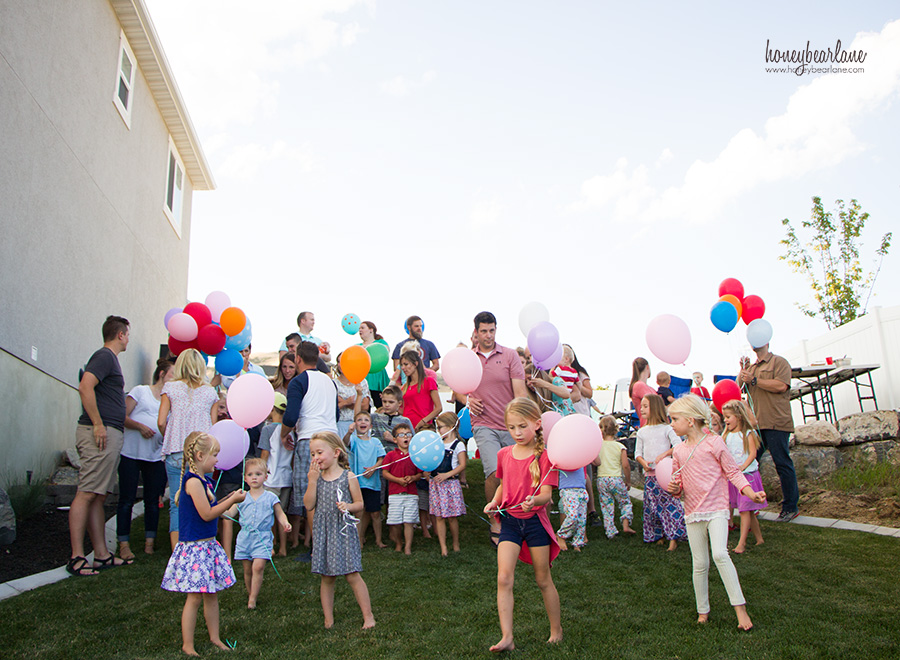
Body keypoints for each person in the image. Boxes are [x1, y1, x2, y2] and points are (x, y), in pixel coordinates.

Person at [666, 395, 765, 631]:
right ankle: (703, 611)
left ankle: (740, 611)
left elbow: (733, 472)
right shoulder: (678, 451)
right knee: (699, 562)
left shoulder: (714, 443)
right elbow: (678, 483)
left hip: (718, 509)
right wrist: (674, 489)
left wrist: (750, 493)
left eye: (675, 419)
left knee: (720, 554)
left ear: (690, 421)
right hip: (692, 511)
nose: (671, 423)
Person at [483, 398, 561, 653]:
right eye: (512, 427)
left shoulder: (545, 456)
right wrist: (494, 501)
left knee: (542, 579)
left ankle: (556, 630)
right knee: (503, 577)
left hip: (536, 524)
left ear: (537, 424)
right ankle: (507, 637)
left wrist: (534, 500)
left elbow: (547, 494)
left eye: (522, 426)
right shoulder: (504, 454)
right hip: (510, 524)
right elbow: (503, 485)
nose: (517, 433)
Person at [160, 431, 246, 655]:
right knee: (195, 596)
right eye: (214, 455)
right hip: (195, 548)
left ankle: (214, 637)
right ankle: (187, 644)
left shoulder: (205, 481)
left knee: (211, 594)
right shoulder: (193, 483)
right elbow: (207, 514)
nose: (217, 460)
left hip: (207, 546)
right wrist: (231, 501)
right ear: (199, 456)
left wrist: (230, 498)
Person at [68, 315, 133, 576]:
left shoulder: (109, 360)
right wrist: (97, 424)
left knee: (98, 495)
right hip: (99, 434)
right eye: (127, 334)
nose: (129, 338)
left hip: (108, 434)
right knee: (86, 492)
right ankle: (76, 557)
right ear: (120, 335)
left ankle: (102, 556)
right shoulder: (104, 356)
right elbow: (85, 387)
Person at [304, 432, 376, 630]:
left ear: (336, 453)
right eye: (312, 454)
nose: (315, 458)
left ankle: (368, 616)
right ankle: (329, 619)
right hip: (324, 531)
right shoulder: (315, 478)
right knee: (327, 577)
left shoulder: (348, 476)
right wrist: (311, 481)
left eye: (319, 452)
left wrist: (348, 506)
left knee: (352, 574)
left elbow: (360, 504)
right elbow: (309, 505)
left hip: (343, 531)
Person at [467, 311, 528, 546]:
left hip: (511, 425)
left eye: (492, 330)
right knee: (494, 472)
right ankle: (495, 519)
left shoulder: (510, 356)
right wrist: (467, 398)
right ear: (476, 332)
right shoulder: (469, 359)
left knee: (517, 474)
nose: (488, 335)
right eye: (483, 331)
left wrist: (522, 425)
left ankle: (516, 518)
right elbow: (459, 387)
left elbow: (520, 394)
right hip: (483, 424)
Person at [158, 348, 219, 549]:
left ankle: (178, 552)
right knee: (204, 498)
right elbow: (213, 425)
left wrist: (170, 434)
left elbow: (161, 421)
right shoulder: (210, 391)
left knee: (177, 503)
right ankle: (200, 544)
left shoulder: (170, 388)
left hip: (176, 449)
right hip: (202, 454)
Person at [283, 341, 339, 556]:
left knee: (311, 494)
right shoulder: (329, 382)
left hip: (310, 440)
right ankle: (332, 543)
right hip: (332, 439)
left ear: (297, 358)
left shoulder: (299, 382)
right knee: (330, 492)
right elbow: (334, 414)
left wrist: (283, 434)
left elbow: (290, 416)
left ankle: (318, 548)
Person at [116, 358, 174, 561]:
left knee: (153, 501)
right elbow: (122, 416)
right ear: (161, 374)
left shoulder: (171, 401)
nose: (174, 379)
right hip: (131, 454)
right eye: (172, 375)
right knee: (127, 499)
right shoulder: (141, 391)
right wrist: (140, 427)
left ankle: (150, 542)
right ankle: (123, 543)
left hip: (155, 456)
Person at [739, 345, 799, 522]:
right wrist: (742, 370)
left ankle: (790, 507)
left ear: (766, 342)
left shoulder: (779, 362)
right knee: (750, 463)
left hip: (777, 423)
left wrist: (755, 380)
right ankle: (752, 503)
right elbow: (738, 387)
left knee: (782, 463)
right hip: (757, 425)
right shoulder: (751, 368)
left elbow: (781, 386)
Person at [226, 457, 291, 609]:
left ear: (266, 477)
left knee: (258, 567)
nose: (254, 477)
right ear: (245, 478)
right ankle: (250, 593)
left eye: (258, 474)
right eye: (250, 475)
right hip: (245, 538)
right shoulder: (241, 497)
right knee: (247, 569)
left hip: (262, 537)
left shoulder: (271, 497)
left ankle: (252, 600)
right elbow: (230, 514)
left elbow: (280, 513)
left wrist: (285, 523)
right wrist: (220, 507)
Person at [635, 394, 686, 550]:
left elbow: (679, 444)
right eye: (641, 406)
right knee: (652, 506)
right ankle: (658, 534)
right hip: (650, 476)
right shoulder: (642, 432)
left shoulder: (667, 429)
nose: (641, 409)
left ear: (655, 408)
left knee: (669, 505)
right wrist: (644, 463)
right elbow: (638, 453)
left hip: (664, 475)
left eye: (645, 406)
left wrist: (664, 455)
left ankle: (674, 537)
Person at [721, 400, 766, 553]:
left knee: (744, 510)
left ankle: (741, 543)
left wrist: (742, 467)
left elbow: (753, 454)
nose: (725, 420)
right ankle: (759, 539)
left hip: (748, 476)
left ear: (738, 417)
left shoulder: (748, 434)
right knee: (748, 510)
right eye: (724, 417)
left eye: (728, 417)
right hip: (734, 477)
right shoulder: (726, 436)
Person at [344, 411, 386, 548]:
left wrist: (373, 468)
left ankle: (378, 540)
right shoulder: (354, 440)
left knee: (375, 513)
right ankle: (359, 539)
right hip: (358, 483)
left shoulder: (376, 442)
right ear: (355, 424)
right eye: (359, 420)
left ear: (371, 425)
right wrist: (349, 433)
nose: (363, 422)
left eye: (366, 420)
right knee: (359, 512)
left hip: (373, 483)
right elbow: (345, 443)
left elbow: (381, 458)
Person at [258, 393, 292, 556]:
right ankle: (283, 548)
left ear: (272, 409)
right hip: (286, 477)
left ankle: (272, 544)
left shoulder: (267, 429)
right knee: (282, 514)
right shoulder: (291, 431)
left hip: (271, 478)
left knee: (269, 514)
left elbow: (265, 454)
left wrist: (260, 473)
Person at [592, 416, 636, 538]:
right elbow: (626, 465)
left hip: (602, 479)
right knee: (625, 502)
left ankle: (610, 531)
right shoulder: (620, 446)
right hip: (616, 478)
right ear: (616, 430)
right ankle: (626, 524)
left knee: (606, 506)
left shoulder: (598, 446)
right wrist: (628, 480)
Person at [430, 412, 467, 556]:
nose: (438, 430)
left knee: (452, 517)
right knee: (439, 516)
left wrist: (447, 475)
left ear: (451, 427)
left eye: (440, 427)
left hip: (450, 485)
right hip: (436, 485)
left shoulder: (458, 445)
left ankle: (455, 543)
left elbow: (462, 464)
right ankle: (443, 546)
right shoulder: (436, 444)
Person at [382, 423, 422, 554]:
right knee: (395, 521)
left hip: (411, 493)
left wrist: (413, 478)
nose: (406, 437)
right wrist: (398, 480)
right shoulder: (391, 455)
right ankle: (398, 543)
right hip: (394, 493)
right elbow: (385, 472)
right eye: (401, 435)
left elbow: (420, 473)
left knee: (408, 521)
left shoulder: (415, 455)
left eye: (408, 434)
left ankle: (408, 546)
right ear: (395, 439)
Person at [399, 350, 441, 431]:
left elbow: (438, 408)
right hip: (407, 428)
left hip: (424, 427)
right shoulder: (404, 387)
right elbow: (404, 410)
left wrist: (423, 421)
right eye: (401, 365)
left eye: (406, 364)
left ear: (416, 364)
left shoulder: (429, 381)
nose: (403, 368)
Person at [334, 355, 371, 438]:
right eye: (339, 362)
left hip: (359, 425)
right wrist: (346, 402)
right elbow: (332, 408)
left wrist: (346, 403)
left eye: (343, 361)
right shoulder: (334, 383)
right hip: (340, 424)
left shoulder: (362, 381)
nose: (341, 364)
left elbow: (365, 406)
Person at [555, 464, 588, 552]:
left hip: (581, 488)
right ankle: (561, 535)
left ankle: (577, 543)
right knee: (572, 516)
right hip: (567, 488)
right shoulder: (563, 454)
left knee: (581, 519)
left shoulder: (581, 454)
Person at [358, 321, 391, 408]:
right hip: (364, 378)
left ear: (371, 330)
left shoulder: (381, 342)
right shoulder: (357, 346)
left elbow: (385, 351)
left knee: (380, 405)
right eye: (359, 328)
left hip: (378, 378)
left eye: (362, 328)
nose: (360, 330)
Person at [629, 357, 656, 426]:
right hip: (650, 425)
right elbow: (655, 404)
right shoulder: (639, 385)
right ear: (647, 367)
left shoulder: (647, 387)